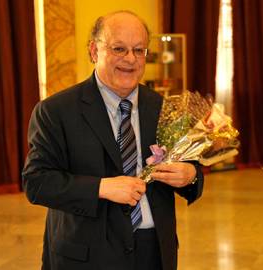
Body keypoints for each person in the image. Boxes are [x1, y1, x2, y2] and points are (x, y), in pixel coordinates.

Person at [22, 10, 203, 270]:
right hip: (87, 256)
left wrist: (190, 175)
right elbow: (37, 182)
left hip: (155, 253)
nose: (130, 59)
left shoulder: (164, 108)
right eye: (119, 48)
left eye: (139, 50)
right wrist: (101, 187)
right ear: (94, 51)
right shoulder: (56, 110)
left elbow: (193, 170)